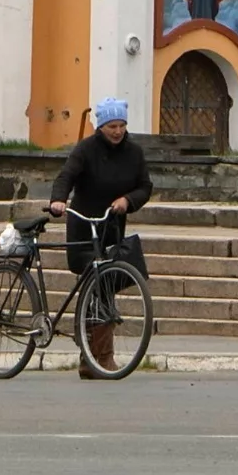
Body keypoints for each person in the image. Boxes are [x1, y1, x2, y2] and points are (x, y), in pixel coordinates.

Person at [47, 97, 154, 378]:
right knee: (96, 286)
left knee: (105, 286)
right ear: (101, 126)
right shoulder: (85, 150)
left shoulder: (134, 153)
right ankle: (98, 357)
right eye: (112, 126)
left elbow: (145, 186)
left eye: (121, 126)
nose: (118, 132)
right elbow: (66, 176)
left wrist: (128, 200)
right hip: (83, 228)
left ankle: (94, 358)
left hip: (111, 228)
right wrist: (58, 200)